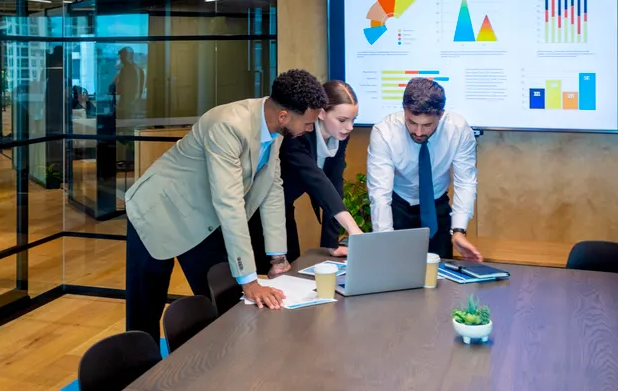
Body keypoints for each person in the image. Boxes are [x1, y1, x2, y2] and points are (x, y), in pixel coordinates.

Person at [124, 69, 328, 343]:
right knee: (145, 310)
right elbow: (229, 203)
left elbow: (272, 190)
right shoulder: (227, 125)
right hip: (158, 210)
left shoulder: (277, 128)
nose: (310, 129)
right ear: (283, 116)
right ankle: (140, 368)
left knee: (225, 301)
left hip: (203, 217)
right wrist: (250, 280)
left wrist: (278, 257)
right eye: (308, 123)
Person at [366, 77, 482, 261]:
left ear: (441, 115)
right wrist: (385, 238)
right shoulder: (385, 132)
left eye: (427, 125)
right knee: (395, 266)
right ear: (404, 110)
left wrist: (459, 230)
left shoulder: (458, 130)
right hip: (398, 206)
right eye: (412, 122)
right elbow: (380, 193)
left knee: (439, 269)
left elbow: (465, 181)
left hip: (436, 206)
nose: (418, 132)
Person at [250, 80, 365, 266]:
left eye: (353, 120)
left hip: (285, 206)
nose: (349, 127)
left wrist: (331, 243)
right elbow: (317, 181)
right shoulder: (297, 133)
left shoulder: (340, 137)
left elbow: (334, 184)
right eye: (342, 120)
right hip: (259, 208)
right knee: (267, 268)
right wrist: (352, 228)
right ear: (321, 113)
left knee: (292, 263)